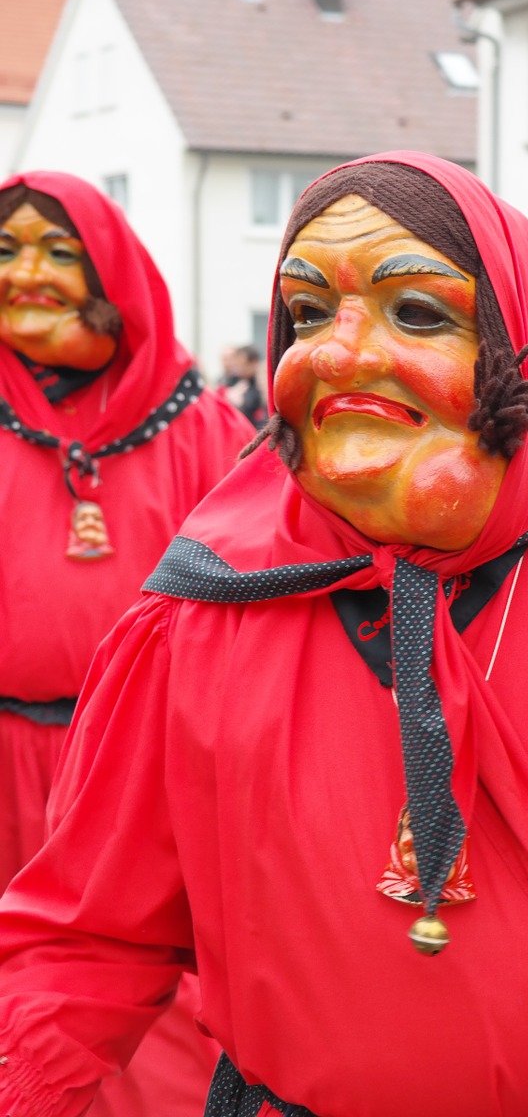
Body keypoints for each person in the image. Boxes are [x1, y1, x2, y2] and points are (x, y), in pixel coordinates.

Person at [0, 153, 528, 1117]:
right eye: (308, 314)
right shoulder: (195, 625)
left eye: (415, 313)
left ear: (515, 344)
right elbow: (87, 942)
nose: (334, 354)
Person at [0, 171, 256, 1117]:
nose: (28, 272)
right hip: (3, 754)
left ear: (111, 271)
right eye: (6, 250)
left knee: (159, 1006)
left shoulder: (201, 426)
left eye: (59, 251)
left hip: (148, 768)